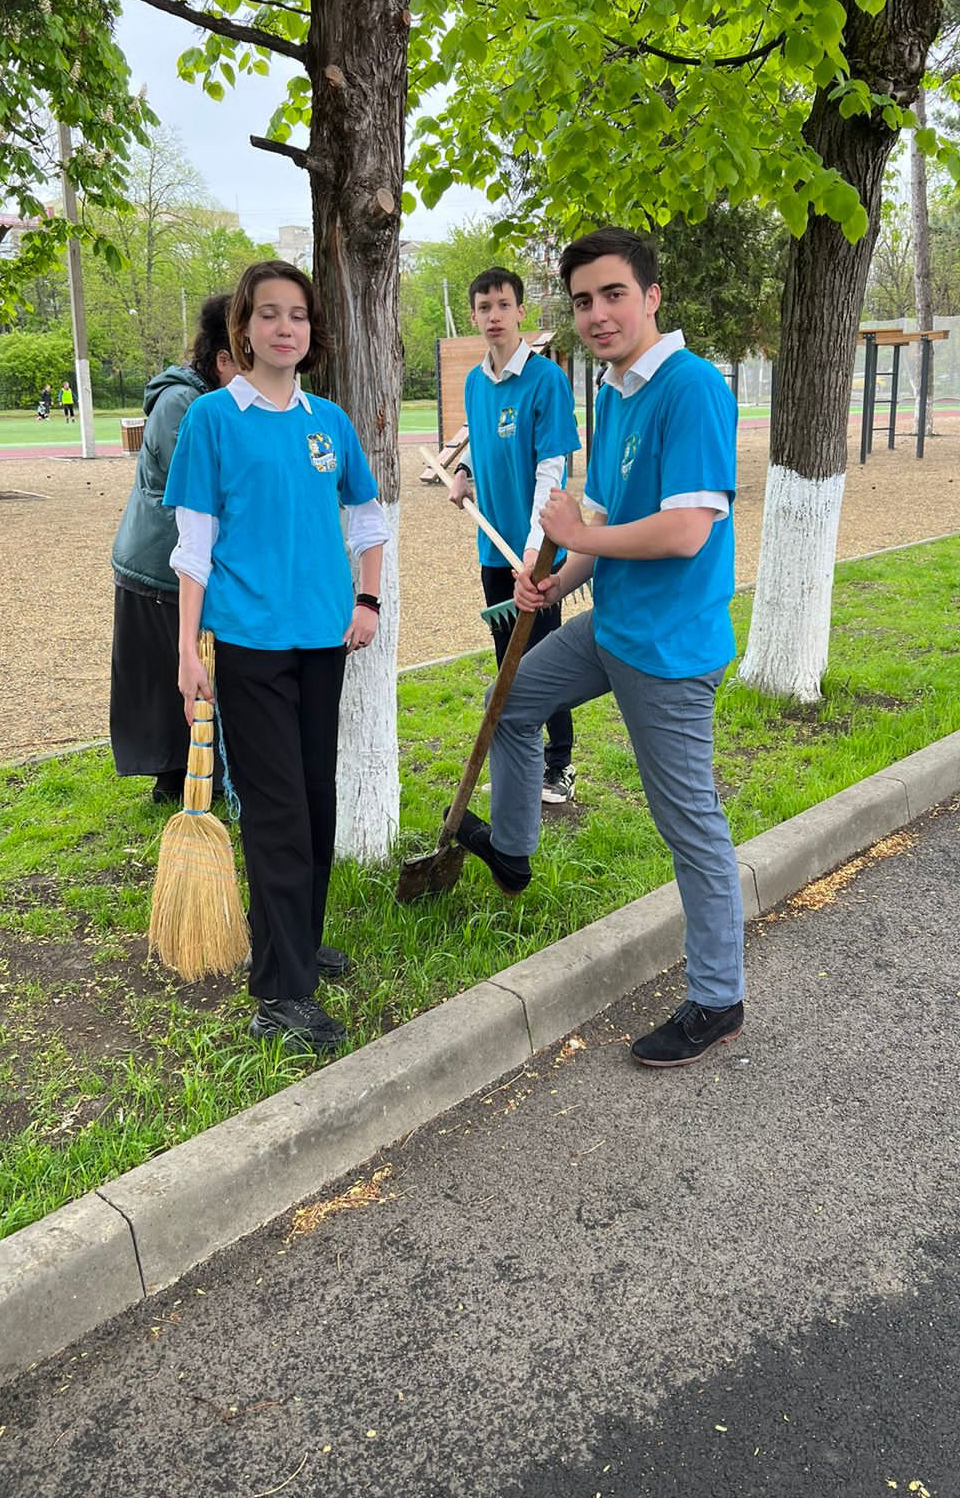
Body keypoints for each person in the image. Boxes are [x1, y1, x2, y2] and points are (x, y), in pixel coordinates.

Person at [453, 227, 744, 1071]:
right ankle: (512, 852)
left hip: (669, 650)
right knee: (511, 705)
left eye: (614, 294)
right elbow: (609, 521)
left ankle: (719, 999)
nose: (598, 313)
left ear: (652, 296)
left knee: (688, 824)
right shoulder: (615, 388)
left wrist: (578, 538)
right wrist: (559, 577)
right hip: (609, 626)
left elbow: (688, 531)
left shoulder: (691, 389)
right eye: (583, 300)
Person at [164, 260, 390, 1054]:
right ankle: (280, 994)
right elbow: (194, 548)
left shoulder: (329, 422)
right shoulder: (213, 422)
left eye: (296, 314)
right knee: (276, 814)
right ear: (244, 329)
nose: (284, 327)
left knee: (315, 805)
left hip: (323, 642)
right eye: (268, 314)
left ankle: (299, 939)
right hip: (251, 647)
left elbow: (366, 519)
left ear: (310, 330)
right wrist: (191, 648)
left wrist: (366, 602)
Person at [449, 267, 581, 804]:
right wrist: (466, 476)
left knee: (545, 661)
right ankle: (521, 762)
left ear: (521, 311)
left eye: (503, 305)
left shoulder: (546, 381)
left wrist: (535, 553)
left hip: (536, 554)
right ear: (475, 316)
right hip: (493, 551)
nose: (494, 316)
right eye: (484, 307)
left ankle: (561, 764)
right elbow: (484, 447)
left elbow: (551, 474)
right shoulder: (475, 382)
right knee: (509, 664)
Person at [110, 294, 236, 803]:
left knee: (188, 670)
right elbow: (201, 489)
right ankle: (176, 780)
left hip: (179, 559)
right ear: (221, 358)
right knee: (171, 678)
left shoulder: (207, 397)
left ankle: (197, 773)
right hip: (158, 561)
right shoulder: (183, 403)